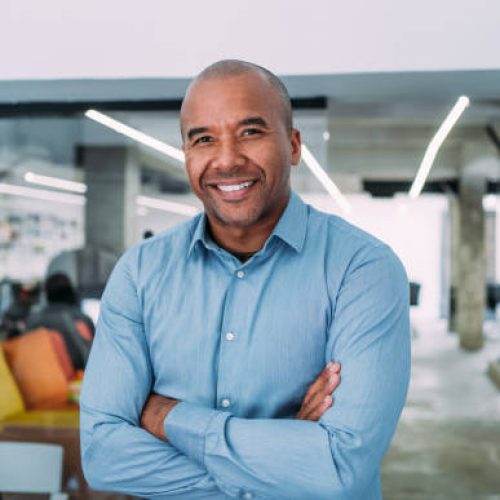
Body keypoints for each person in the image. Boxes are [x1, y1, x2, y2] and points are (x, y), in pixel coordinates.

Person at [80, 60, 410, 499]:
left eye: (251, 132)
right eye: (203, 139)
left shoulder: (363, 270)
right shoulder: (140, 274)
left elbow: (338, 468)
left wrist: (169, 417)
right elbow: (104, 457)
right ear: (186, 155)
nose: (227, 159)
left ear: (293, 145)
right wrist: (283, 455)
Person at [27, 273, 94, 370]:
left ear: (47, 295)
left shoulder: (33, 321)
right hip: (79, 379)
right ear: (71, 292)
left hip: (40, 379)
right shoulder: (82, 319)